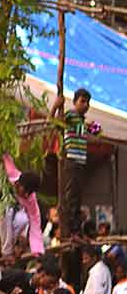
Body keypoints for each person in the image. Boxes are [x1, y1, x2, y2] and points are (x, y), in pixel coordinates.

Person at [56, 89, 93, 236]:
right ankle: (72, 230)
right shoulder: (71, 115)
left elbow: (98, 130)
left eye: (87, 102)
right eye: (82, 101)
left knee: (77, 195)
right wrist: (57, 105)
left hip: (80, 160)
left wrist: (93, 128)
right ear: (75, 102)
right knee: (71, 195)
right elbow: (57, 124)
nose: (85, 105)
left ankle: (77, 229)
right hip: (72, 159)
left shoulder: (83, 121)